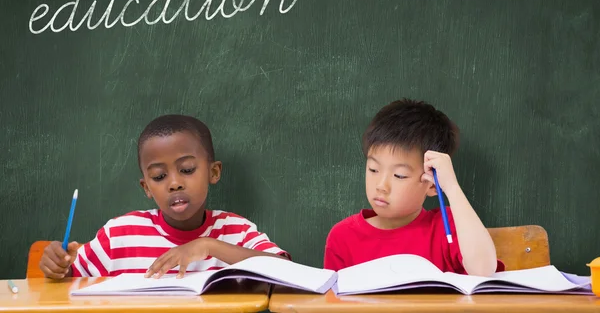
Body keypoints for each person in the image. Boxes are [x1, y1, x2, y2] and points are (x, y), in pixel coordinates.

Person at [40, 114, 289, 279]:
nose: (174, 184)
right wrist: (58, 266)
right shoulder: (120, 235)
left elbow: (287, 272)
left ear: (213, 172)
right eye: (159, 176)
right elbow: (69, 278)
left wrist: (207, 245)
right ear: (146, 187)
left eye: (187, 170)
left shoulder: (235, 231)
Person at [324, 99, 503, 276]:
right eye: (373, 169)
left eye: (399, 175)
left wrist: (452, 187)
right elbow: (332, 302)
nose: (381, 186)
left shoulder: (446, 226)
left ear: (432, 185)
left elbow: (483, 270)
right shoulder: (343, 237)